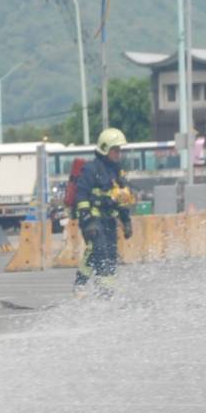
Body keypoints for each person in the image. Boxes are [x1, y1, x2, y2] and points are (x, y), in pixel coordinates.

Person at [72, 128, 135, 298]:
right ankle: (82, 285)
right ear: (105, 148)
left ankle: (106, 291)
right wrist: (87, 219)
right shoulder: (91, 169)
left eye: (119, 150)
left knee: (111, 254)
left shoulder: (117, 171)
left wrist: (126, 221)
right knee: (97, 249)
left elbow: (121, 198)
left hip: (108, 219)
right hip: (92, 217)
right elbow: (81, 195)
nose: (118, 154)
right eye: (115, 150)